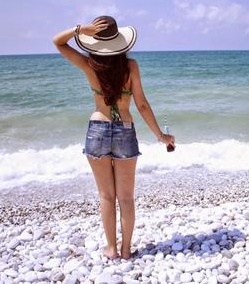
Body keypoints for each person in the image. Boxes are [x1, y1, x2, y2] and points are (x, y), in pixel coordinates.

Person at [52, 15, 175, 260]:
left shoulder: (90, 65)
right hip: (125, 130)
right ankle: (127, 249)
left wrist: (79, 30)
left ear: (95, 42)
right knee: (126, 197)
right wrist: (160, 135)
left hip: (97, 128)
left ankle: (111, 249)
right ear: (120, 42)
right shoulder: (131, 67)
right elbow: (140, 104)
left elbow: (58, 43)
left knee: (107, 196)